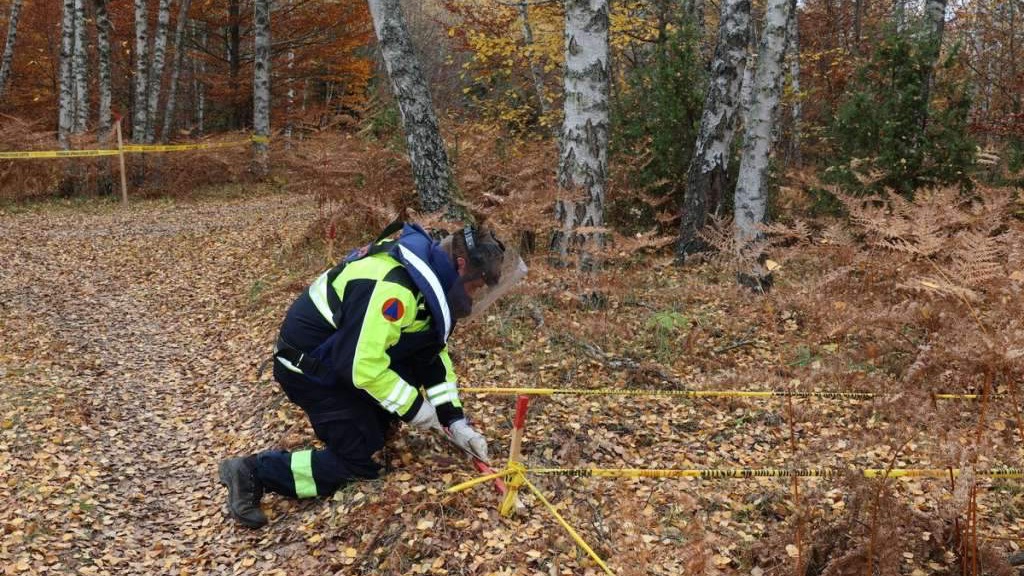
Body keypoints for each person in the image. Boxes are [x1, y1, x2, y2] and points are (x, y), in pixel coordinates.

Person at [218, 221, 525, 528]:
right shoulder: (395, 288)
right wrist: (416, 409)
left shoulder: (426, 286)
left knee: (379, 426)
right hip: (310, 370)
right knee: (358, 461)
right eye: (475, 287)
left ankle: (369, 419)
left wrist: (454, 420)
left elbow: (430, 353)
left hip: (342, 359)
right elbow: (362, 366)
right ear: (461, 266)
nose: (472, 297)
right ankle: (253, 471)